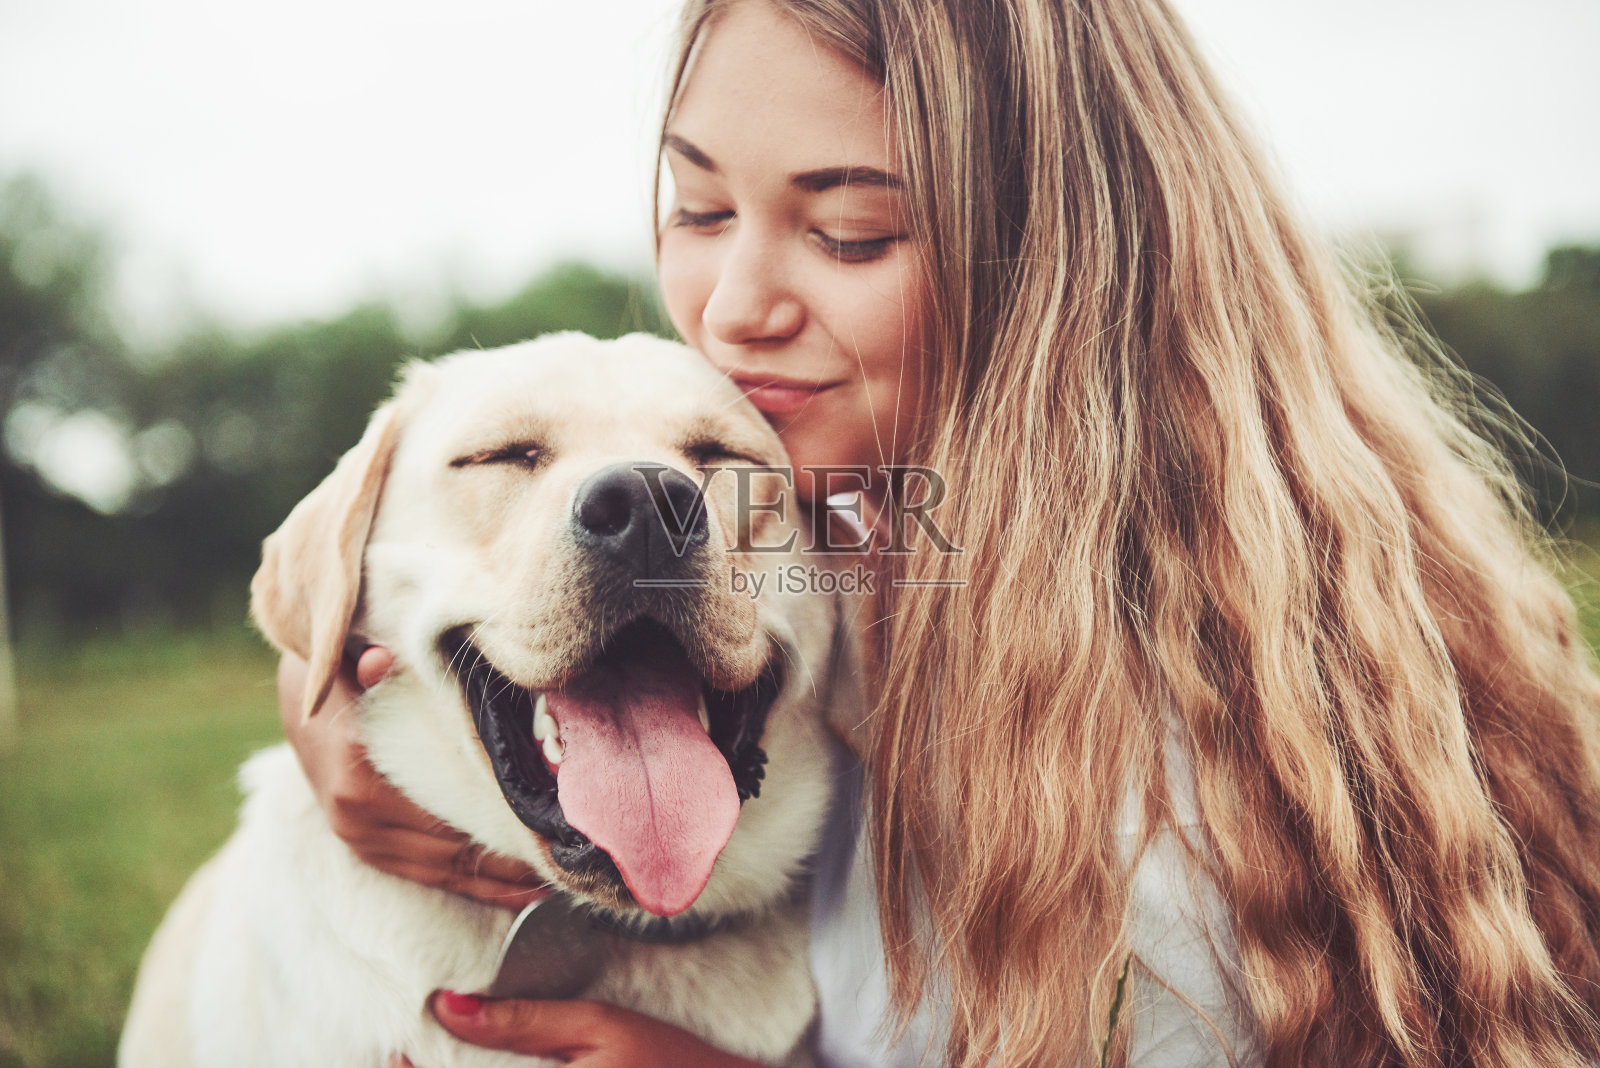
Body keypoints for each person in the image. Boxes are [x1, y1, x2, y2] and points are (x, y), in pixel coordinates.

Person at [278, 0, 1600, 1065]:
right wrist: (335, 692)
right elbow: (478, 568)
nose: (732, 307)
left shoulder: (1173, 796)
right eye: (698, 208)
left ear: (1059, 271)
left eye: (849, 233)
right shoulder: (858, 529)